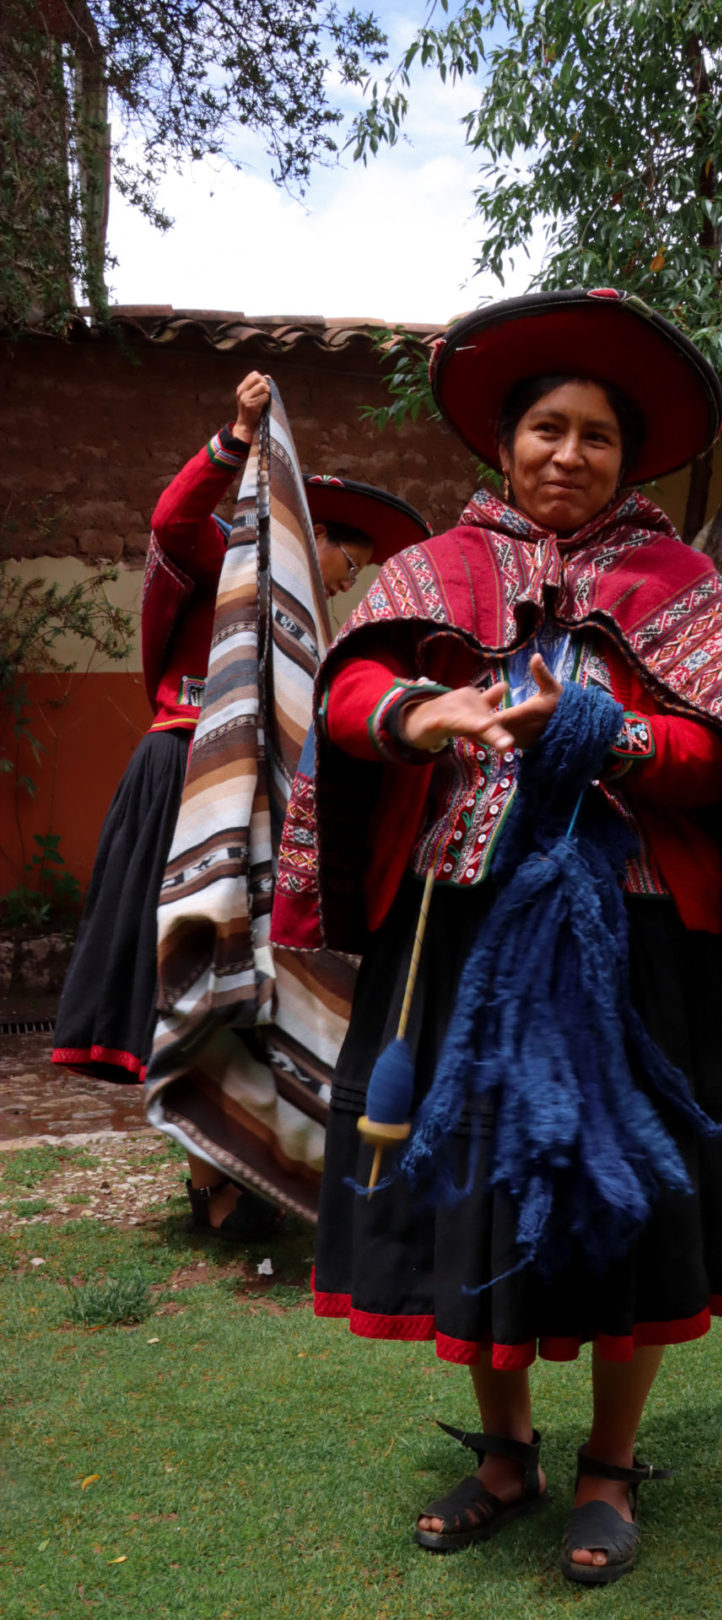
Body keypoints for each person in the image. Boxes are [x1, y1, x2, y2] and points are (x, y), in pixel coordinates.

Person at [271, 288, 722, 1583]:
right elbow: (342, 698)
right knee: (476, 1193)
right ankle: (506, 1454)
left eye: (597, 436)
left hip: (633, 956)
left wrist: (605, 736)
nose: (570, 454)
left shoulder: (679, 586)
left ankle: (608, 1465)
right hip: (459, 945)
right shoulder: (426, 577)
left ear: (629, 457)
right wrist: (423, 716)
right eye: (547, 428)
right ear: (503, 445)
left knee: (631, 1211)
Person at [50, 370, 424, 1236]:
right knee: (194, 973)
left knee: (250, 976)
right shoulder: (228, 560)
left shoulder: (312, 631)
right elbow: (170, 522)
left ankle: (238, 1172)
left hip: (255, 796)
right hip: (186, 772)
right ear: (313, 533)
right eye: (345, 562)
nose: (338, 585)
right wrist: (235, 437)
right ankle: (208, 1183)